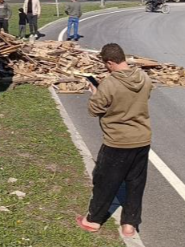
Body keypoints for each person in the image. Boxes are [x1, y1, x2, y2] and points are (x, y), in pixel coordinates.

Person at [76, 43, 152, 238]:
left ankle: (93, 220)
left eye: (105, 64)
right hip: (142, 140)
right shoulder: (143, 77)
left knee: (105, 182)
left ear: (110, 63)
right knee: (135, 184)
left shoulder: (109, 84)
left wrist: (95, 94)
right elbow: (141, 98)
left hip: (117, 141)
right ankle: (129, 225)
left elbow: (94, 110)